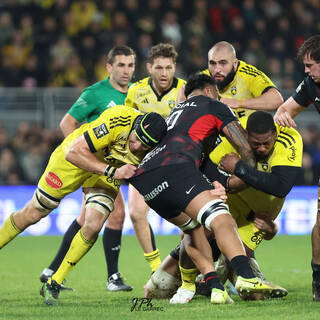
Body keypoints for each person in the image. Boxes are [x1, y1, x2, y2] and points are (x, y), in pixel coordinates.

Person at [129, 73, 275, 305]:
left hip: (147, 180)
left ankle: (212, 286)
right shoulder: (213, 105)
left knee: (193, 231)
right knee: (222, 220)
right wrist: (248, 173)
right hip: (176, 169)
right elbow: (244, 146)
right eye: (218, 94)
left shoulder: (174, 113)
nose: (220, 98)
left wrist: (212, 184)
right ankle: (246, 277)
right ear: (209, 91)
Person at [0, 106, 167, 306]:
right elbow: (74, 153)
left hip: (108, 170)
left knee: (94, 225)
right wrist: (112, 172)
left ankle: (53, 282)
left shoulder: (156, 149)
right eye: (136, 139)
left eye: (144, 146)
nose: (137, 147)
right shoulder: (118, 119)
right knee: (35, 212)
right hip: (77, 157)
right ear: (135, 126)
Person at [144, 111, 303, 302]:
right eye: (255, 144)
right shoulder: (233, 133)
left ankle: (220, 273)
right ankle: (214, 274)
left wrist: (238, 167)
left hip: (256, 216)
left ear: (275, 135)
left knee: (256, 296)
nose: (261, 149)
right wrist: (216, 185)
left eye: (266, 144)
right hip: (229, 202)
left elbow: (280, 186)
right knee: (155, 291)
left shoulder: (290, 138)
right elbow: (203, 169)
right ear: (245, 136)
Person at [39, 45, 136, 292]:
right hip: (97, 166)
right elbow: (67, 124)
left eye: (130, 65)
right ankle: (113, 277)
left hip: (114, 165)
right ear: (109, 67)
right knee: (116, 213)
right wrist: (82, 157)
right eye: (121, 65)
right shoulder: (95, 93)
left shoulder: (136, 94)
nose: (126, 71)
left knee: (86, 220)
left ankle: (52, 270)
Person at [125, 43, 185, 273]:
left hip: (176, 161)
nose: (164, 73)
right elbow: (127, 126)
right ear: (149, 68)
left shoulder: (185, 89)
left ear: (174, 67)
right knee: (136, 212)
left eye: (168, 68)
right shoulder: (136, 91)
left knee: (189, 218)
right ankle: (156, 268)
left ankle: (185, 268)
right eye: (158, 67)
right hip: (144, 161)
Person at [274, 34, 320, 301]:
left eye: (310, 65)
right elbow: (283, 110)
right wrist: (283, 116)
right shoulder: (310, 86)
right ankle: (318, 278)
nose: (306, 70)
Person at [203, 41, 283, 118]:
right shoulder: (202, 79)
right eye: (213, 63)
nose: (217, 70)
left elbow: (276, 100)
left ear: (235, 63)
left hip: (249, 130)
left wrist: (239, 103)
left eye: (223, 63)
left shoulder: (247, 74)